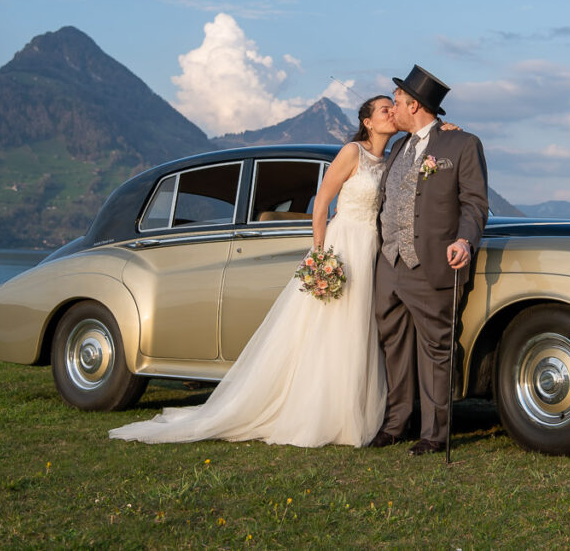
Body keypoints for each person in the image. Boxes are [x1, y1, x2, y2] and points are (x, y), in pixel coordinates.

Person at [108, 96, 398, 447]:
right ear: (367, 121)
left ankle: (350, 412)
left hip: (371, 247)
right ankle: (319, 414)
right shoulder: (352, 152)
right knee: (331, 329)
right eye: (385, 108)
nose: (392, 112)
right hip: (344, 245)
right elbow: (322, 202)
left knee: (358, 329)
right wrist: (320, 256)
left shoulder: (390, 159)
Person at [369, 65, 489, 456]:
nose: (394, 111)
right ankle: (395, 424)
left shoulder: (463, 144)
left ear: (415, 104)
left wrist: (464, 240)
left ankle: (434, 434)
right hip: (389, 266)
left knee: (437, 348)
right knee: (394, 346)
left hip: (433, 264)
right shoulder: (400, 147)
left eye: (399, 104)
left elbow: (474, 203)